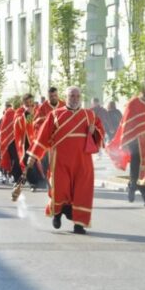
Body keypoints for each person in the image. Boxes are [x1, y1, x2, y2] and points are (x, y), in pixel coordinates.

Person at [27, 87, 104, 234]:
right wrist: (33, 155)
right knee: (60, 189)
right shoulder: (55, 115)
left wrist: (95, 132)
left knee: (82, 192)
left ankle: (79, 224)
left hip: (83, 162)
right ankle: (57, 214)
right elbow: (42, 136)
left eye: (77, 96)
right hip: (60, 161)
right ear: (66, 97)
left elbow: (100, 136)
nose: (74, 98)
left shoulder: (89, 115)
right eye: (71, 96)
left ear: (80, 98)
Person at [107, 82, 145, 208]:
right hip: (136, 142)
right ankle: (132, 186)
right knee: (136, 169)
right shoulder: (133, 103)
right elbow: (127, 123)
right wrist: (126, 141)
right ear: (142, 90)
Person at [13, 94, 41, 191]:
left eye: (31, 102)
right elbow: (19, 125)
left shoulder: (37, 110)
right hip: (25, 142)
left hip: (36, 140)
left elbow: (39, 122)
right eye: (27, 102)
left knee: (37, 161)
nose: (30, 104)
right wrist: (27, 114)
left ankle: (38, 180)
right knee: (26, 161)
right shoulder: (20, 111)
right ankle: (33, 182)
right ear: (23, 103)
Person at [0, 103, 17, 183]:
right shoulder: (2, 119)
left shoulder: (16, 115)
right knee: (4, 158)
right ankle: (4, 174)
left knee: (13, 159)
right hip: (4, 141)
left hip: (13, 141)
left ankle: (11, 174)